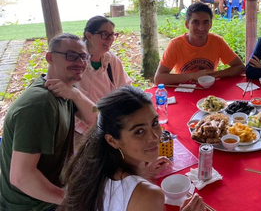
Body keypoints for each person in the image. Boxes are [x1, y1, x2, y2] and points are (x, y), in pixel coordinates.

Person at [59, 86, 204, 211]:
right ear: (112, 140)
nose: (154, 137)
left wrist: (141, 173)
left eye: (154, 123)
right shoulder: (150, 196)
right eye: (139, 131)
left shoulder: (93, 168)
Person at [0, 33, 97, 211]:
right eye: (71, 56)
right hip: (33, 205)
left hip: (53, 189)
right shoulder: (39, 104)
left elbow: (98, 122)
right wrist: (73, 201)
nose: (80, 63)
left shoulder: (63, 90)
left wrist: (75, 94)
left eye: (84, 57)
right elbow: (21, 176)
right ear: (49, 57)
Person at [154, 2, 245, 85]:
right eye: (195, 22)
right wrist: (193, 75)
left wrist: (216, 74)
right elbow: (158, 78)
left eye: (205, 22)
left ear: (210, 25)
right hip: (184, 91)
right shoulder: (175, 44)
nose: (201, 28)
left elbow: (240, 67)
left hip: (208, 89)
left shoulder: (217, 41)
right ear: (187, 24)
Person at [75, 16, 132, 135]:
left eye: (113, 35)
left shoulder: (111, 60)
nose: (110, 39)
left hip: (109, 120)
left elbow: (125, 89)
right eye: (105, 34)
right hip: (80, 127)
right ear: (89, 36)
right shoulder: (74, 63)